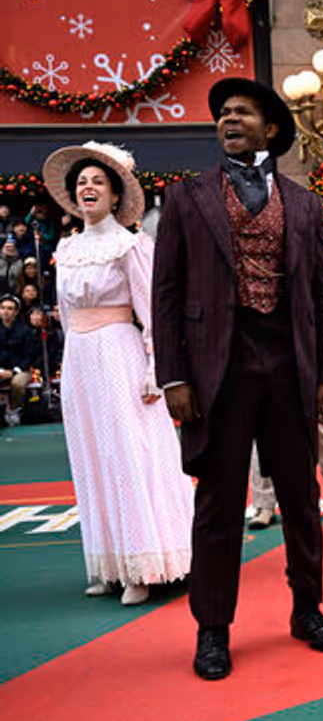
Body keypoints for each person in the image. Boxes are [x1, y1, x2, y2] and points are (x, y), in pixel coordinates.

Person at [152, 78, 323, 681]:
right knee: (216, 504)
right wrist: (174, 375)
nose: (228, 120)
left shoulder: (304, 202)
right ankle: (213, 629)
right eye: (223, 114)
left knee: (300, 500)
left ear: (271, 129)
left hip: (289, 366)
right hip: (218, 372)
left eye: (242, 112)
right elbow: (166, 295)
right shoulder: (187, 198)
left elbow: (319, 293)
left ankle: (307, 609)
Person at [42, 141, 193, 605]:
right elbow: (65, 316)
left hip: (120, 355)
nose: (88, 189)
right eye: (82, 183)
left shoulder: (132, 245)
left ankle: (143, 567)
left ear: (114, 195)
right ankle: (107, 565)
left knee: (131, 457)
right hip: (81, 364)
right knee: (92, 460)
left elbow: (151, 312)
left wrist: (155, 367)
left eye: (97, 182)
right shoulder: (66, 250)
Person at [247, 246, 323, 529]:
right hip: (264, 354)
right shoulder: (253, 254)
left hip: (312, 358)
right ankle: (263, 504)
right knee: (262, 432)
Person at [0, 293, 36, 426]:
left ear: (16, 312)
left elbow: (30, 355)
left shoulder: (25, 331)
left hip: (21, 369)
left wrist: (15, 371)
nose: (5, 311)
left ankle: (16, 410)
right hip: (1, 369)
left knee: (17, 384)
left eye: (9, 308)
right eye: (3, 308)